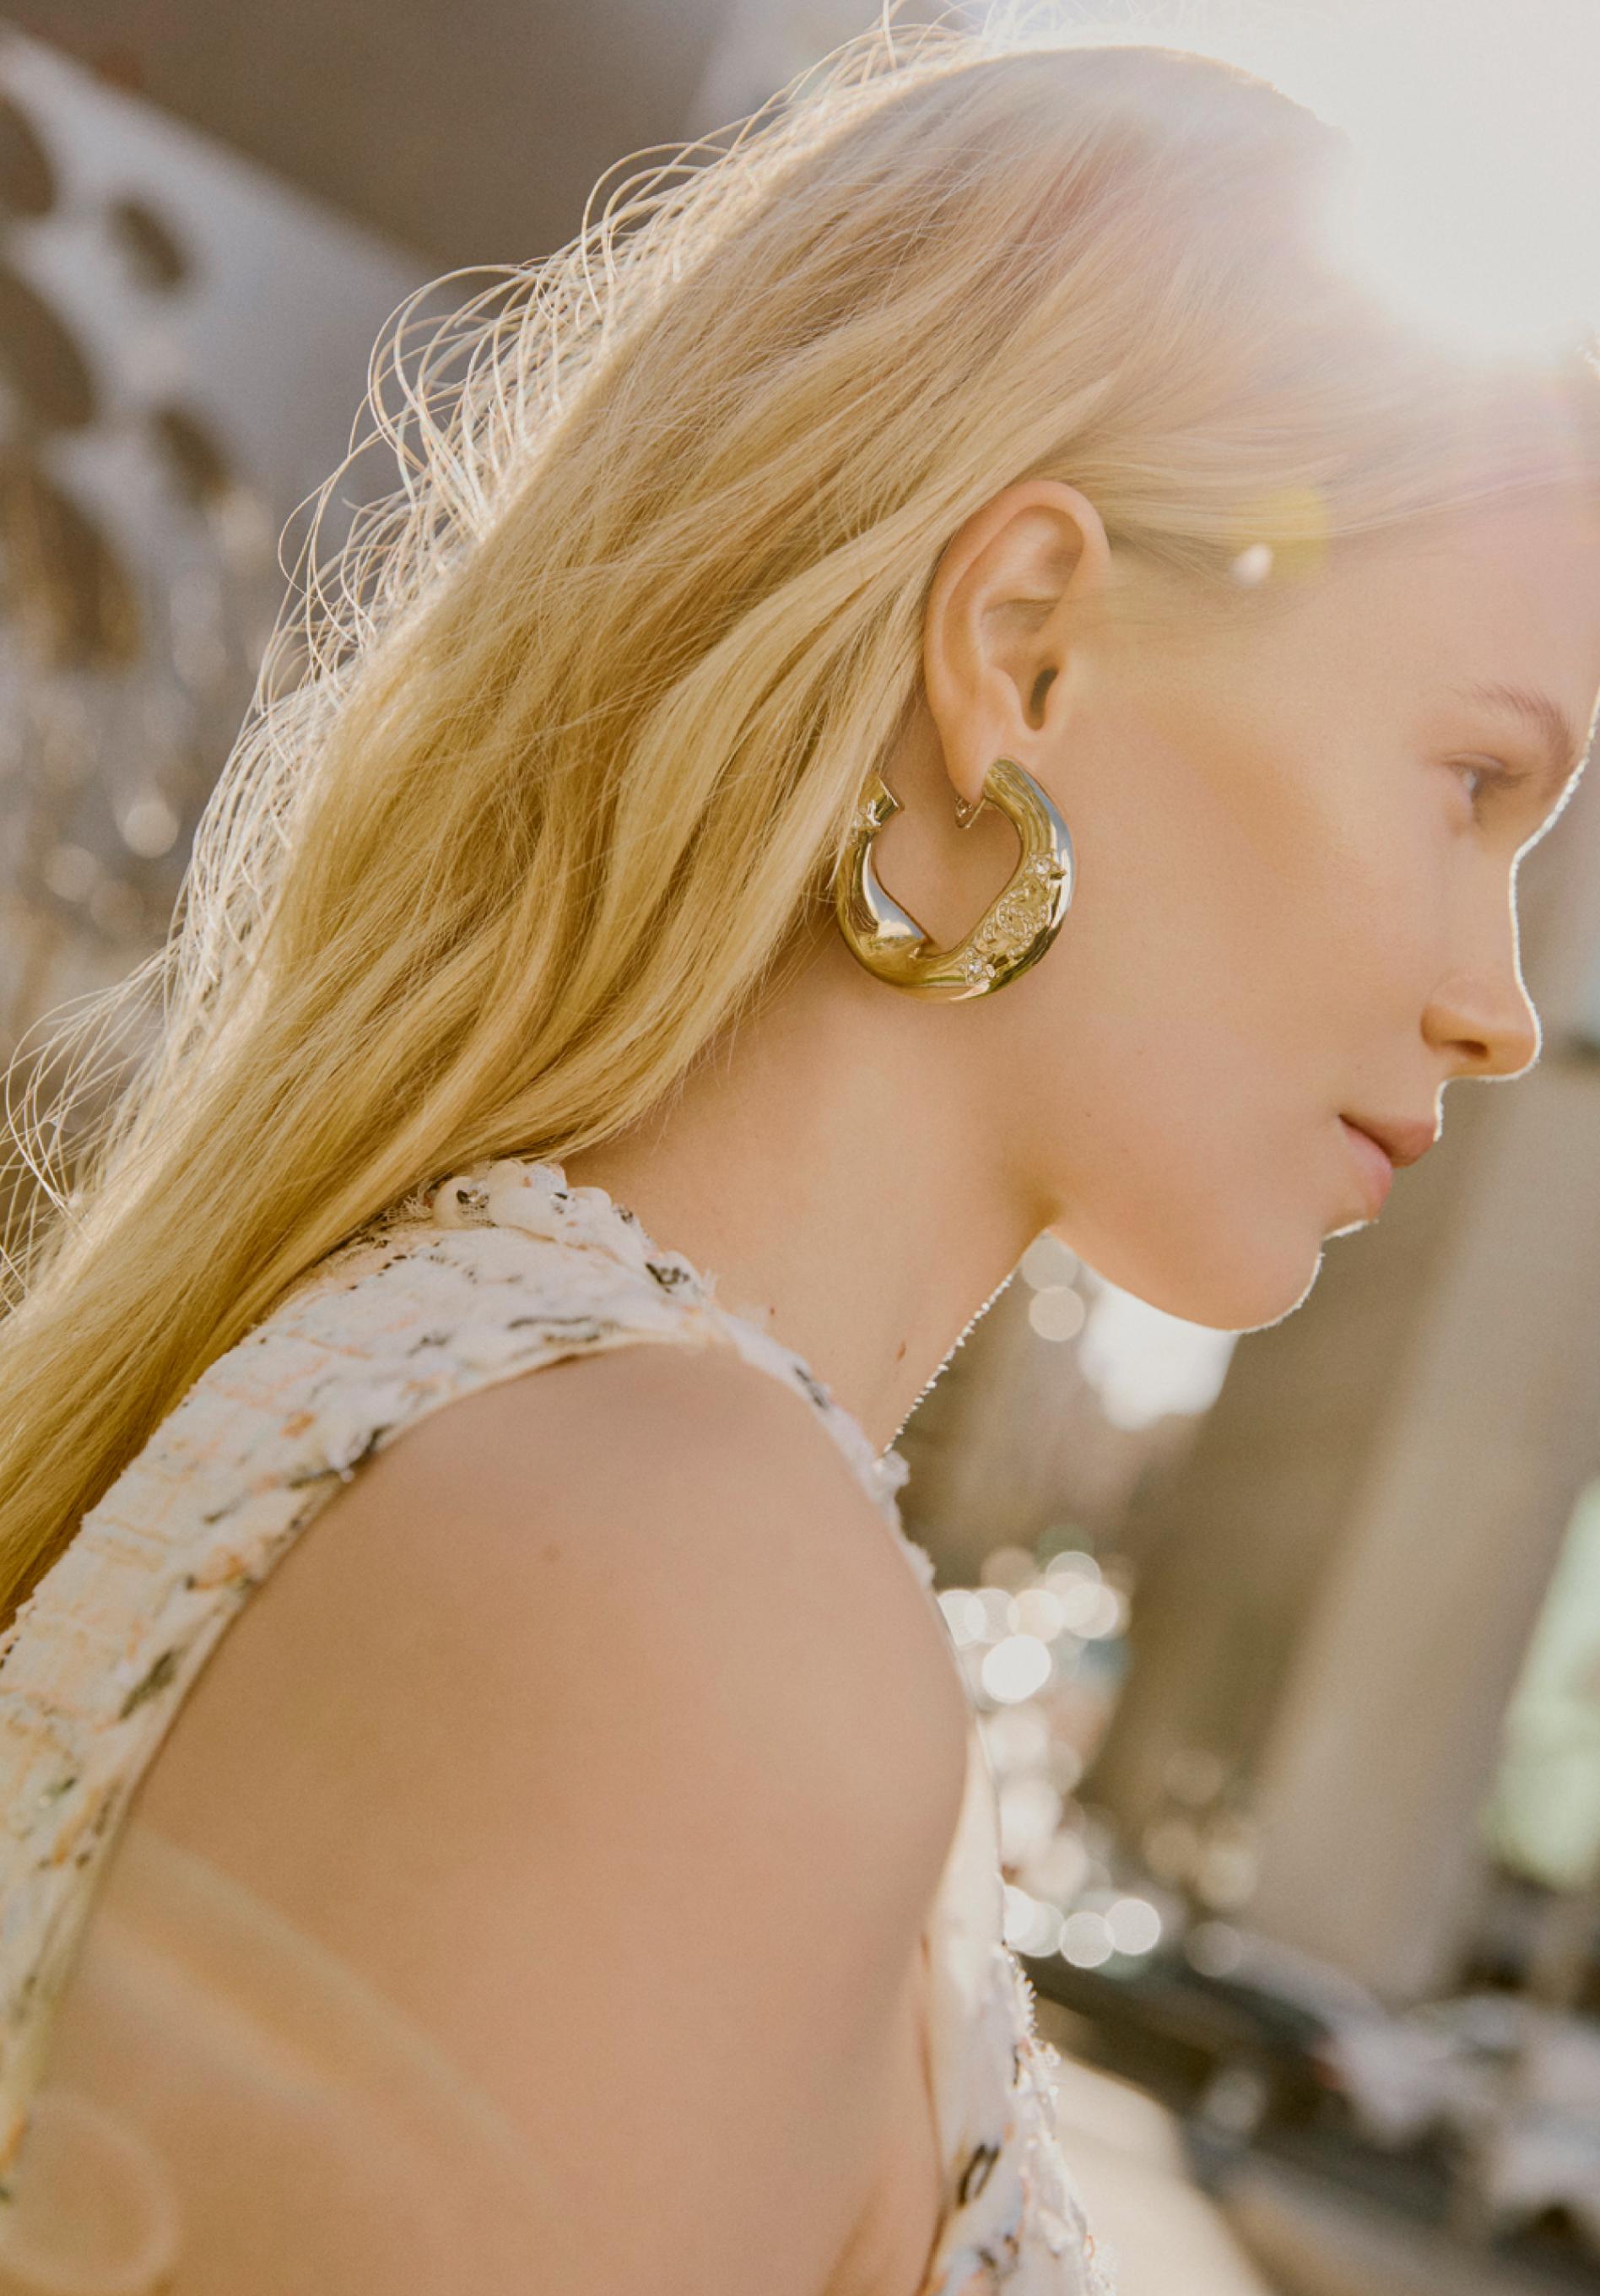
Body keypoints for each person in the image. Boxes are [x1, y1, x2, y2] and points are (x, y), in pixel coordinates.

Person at [0, 17, 1598, 2294]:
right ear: (1025, 652)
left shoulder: (575, 1486)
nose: (1503, 1001)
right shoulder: (673, 1599)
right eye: (1473, 791)